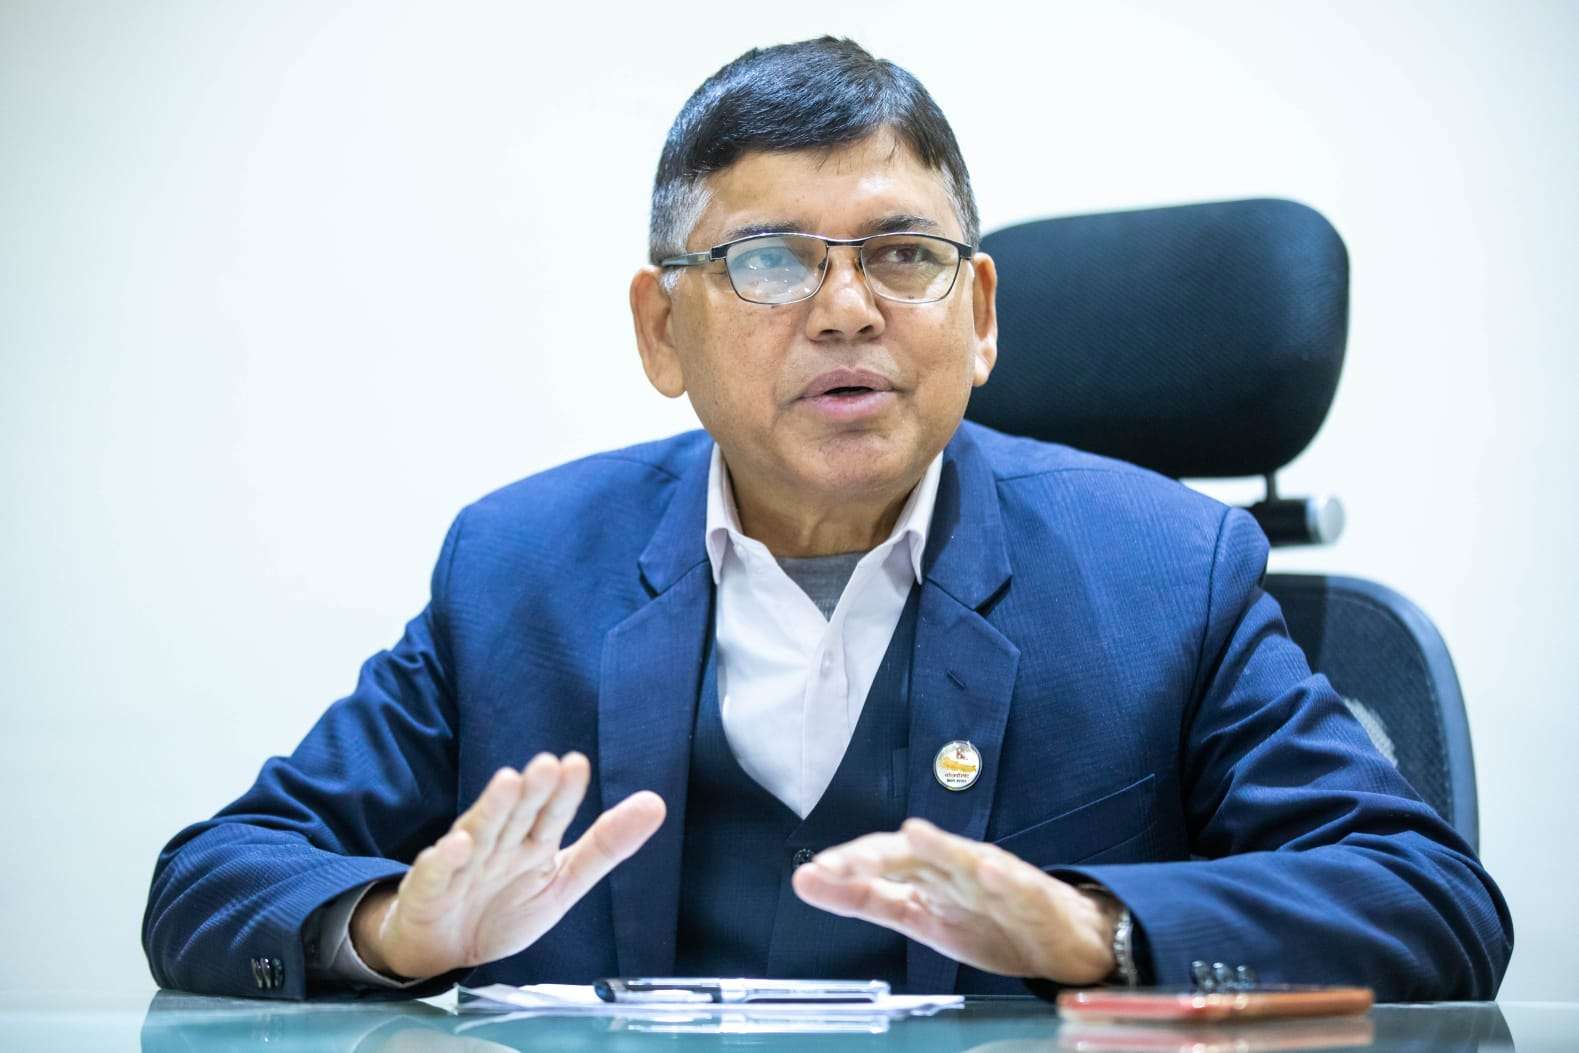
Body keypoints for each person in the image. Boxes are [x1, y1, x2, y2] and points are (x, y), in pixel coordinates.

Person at [143, 37, 1513, 1001]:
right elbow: (214, 878)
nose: (848, 309)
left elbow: (1428, 901)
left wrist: (1094, 926)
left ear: (979, 315)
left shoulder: (1163, 573)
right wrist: (392, 928)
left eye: (903, 255)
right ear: (661, 329)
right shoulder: (517, 572)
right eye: (769, 260)